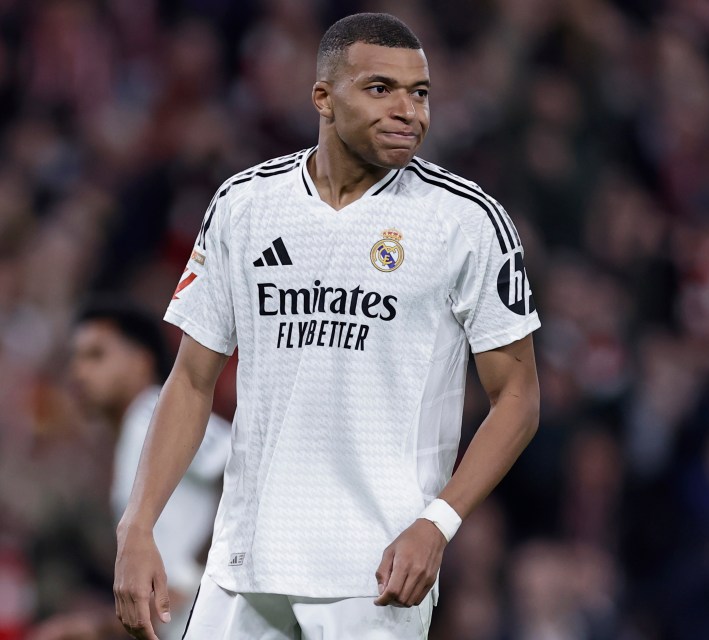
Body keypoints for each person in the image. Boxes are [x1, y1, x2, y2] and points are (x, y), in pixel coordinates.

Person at [113, 11, 541, 640]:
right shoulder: (245, 205)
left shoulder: (467, 222)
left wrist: (438, 523)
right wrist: (138, 524)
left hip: (377, 569)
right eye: (381, 89)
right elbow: (192, 380)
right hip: (244, 560)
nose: (408, 112)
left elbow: (519, 397)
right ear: (323, 98)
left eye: (420, 93)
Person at [30, 302, 230, 640]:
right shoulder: (135, 434)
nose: (78, 372)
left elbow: (240, 471)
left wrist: (190, 575)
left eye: (96, 355)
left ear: (141, 362)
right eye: (75, 358)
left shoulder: (152, 412)